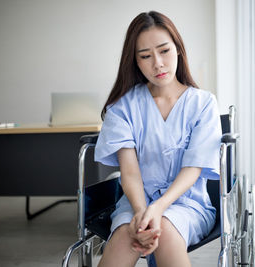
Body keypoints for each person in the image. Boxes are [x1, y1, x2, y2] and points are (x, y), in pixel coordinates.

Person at [94, 11, 221, 267]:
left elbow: (193, 169)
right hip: (134, 204)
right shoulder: (122, 107)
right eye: (145, 56)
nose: (158, 64)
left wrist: (158, 208)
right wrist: (142, 213)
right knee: (124, 238)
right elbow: (129, 172)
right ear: (136, 62)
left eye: (164, 51)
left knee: (165, 230)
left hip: (188, 204)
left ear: (178, 50)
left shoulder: (203, 103)